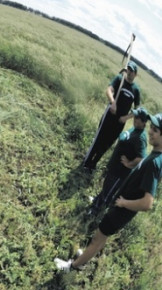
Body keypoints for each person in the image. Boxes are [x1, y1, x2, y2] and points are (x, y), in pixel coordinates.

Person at [55, 112, 162, 272]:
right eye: (151, 127)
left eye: (155, 129)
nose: (150, 131)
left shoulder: (154, 163)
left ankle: (73, 266)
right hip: (120, 207)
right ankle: (85, 256)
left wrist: (124, 202)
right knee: (100, 236)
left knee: (98, 238)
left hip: (122, 211)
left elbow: (147, 203)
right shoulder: (155, 155)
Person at [87, 107, 149, 215]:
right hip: (115, 166)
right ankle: (97, 201)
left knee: (109, 192)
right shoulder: (135, 129)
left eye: (138, 118)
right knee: (106, 186)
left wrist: (129, 164)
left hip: (120, 172)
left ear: (143, 122)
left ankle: (95, 212)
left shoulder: (141, 138)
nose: (135, 119)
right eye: (135, 116)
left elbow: (141, 158)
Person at [82, 61, 141, 172]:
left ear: (136, 74)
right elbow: (109, 90)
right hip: (109, 116)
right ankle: (87, 161)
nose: (129, 72)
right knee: (99, 139)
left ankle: (94, 163)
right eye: (128, 69)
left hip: (119, 122)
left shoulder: (136, 90)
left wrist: (126, 118)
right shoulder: (120, 79)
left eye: (132, 71)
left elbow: (137, 110)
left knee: (108, 143)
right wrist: (112, 102)